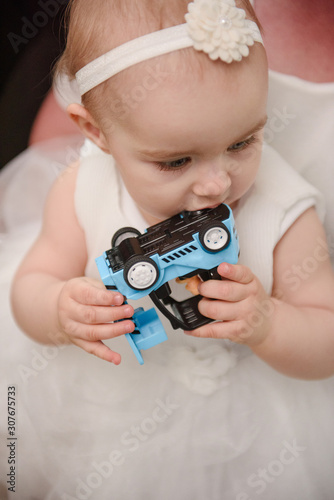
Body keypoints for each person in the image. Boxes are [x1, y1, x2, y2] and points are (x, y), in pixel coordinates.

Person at [4, 0, 334, 498]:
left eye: (243, 142)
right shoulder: (83, 188)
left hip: (248, 420)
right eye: (176, 160)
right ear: (96, 132)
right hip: (107, 398)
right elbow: (29, 286)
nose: (217, 182)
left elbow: (326, 335)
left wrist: (268, 322)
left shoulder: (284, 208)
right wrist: (58, 309)